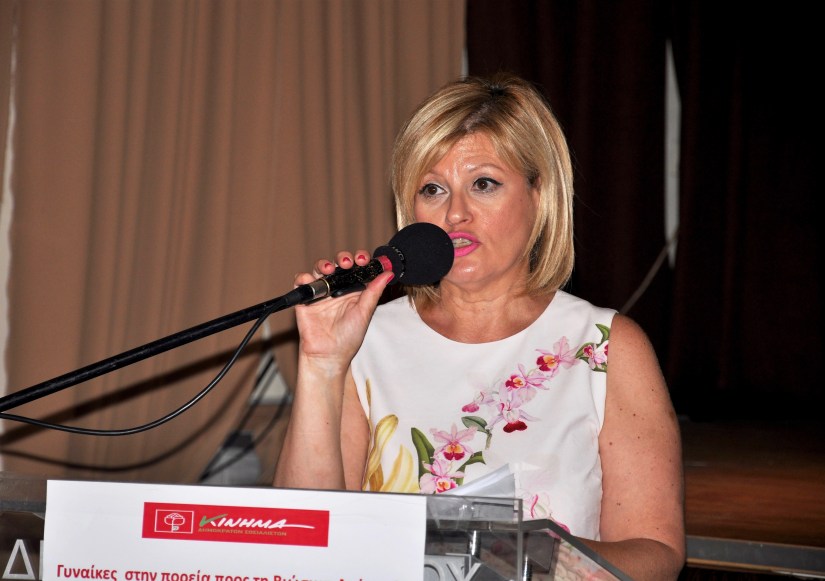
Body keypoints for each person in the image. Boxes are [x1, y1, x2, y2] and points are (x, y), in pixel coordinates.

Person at [273, 73, 685, 580]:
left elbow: (658, 555)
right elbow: (299, 541)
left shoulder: (605, 347)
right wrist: (322, 363)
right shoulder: (365, 342)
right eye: (433, 189)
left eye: (483, 184)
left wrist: (538, 557)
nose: (455, 213)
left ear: (539, 194)